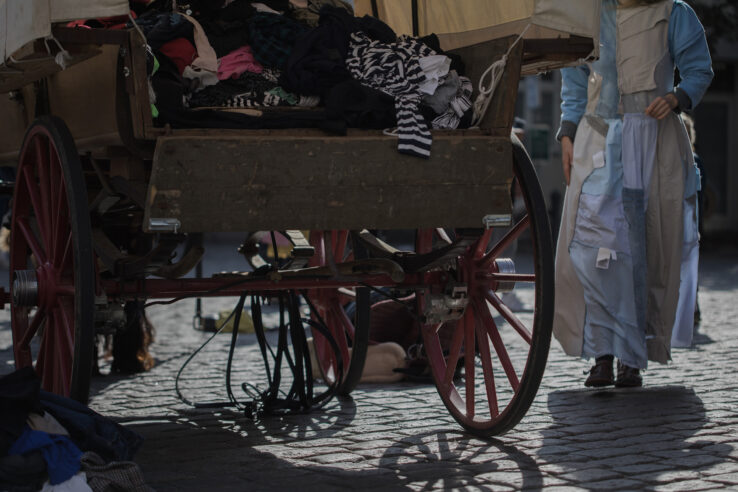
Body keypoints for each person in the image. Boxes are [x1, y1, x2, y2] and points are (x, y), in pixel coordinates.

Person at [553, 0, 713, 388]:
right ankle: (601, 353)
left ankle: (631, 356)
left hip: (652, 141)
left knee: (642, 247)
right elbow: (575, 79)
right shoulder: (590, 15)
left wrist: (677, 97)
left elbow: (698, 68)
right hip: (598, 140)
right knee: (595, 248)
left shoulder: (673, 12)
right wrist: (568, 131)